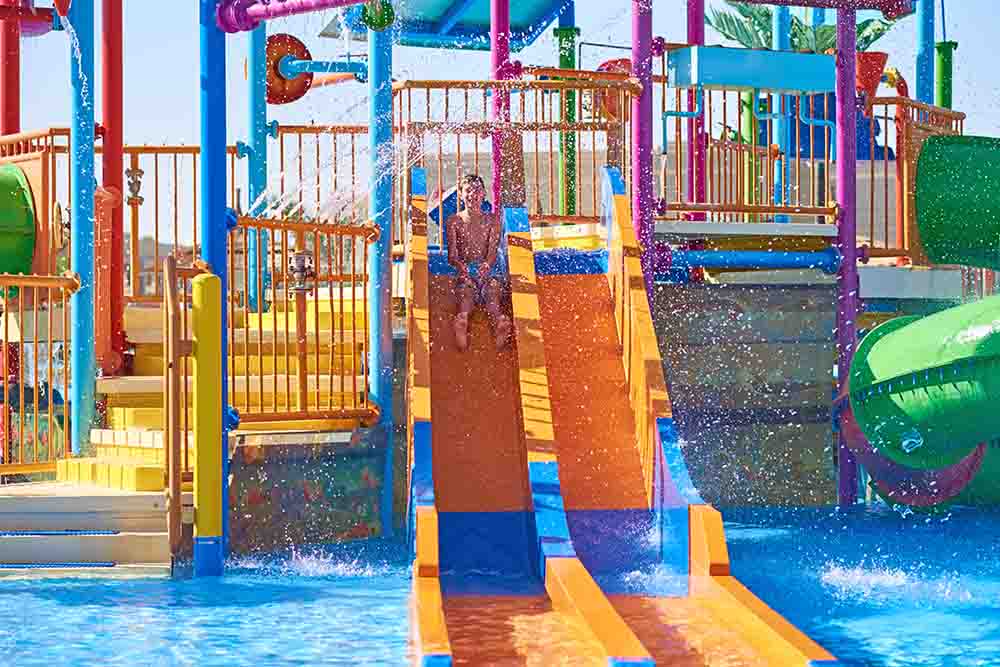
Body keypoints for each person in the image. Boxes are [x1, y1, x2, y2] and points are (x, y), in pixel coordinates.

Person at [446, 174, 511, 351]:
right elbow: (452, 255)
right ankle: (462, 322)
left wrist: (487, 265)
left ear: (483, 194)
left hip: (489, 269)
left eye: (477, 190)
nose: (472, 195)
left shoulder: (493, 220)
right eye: (468, 190)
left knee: (493, 291)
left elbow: (492, 251)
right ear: (460, 194)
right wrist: (461, 266)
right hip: (466, 269)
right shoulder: (454, 221)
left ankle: (499, 323)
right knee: (466, 291)